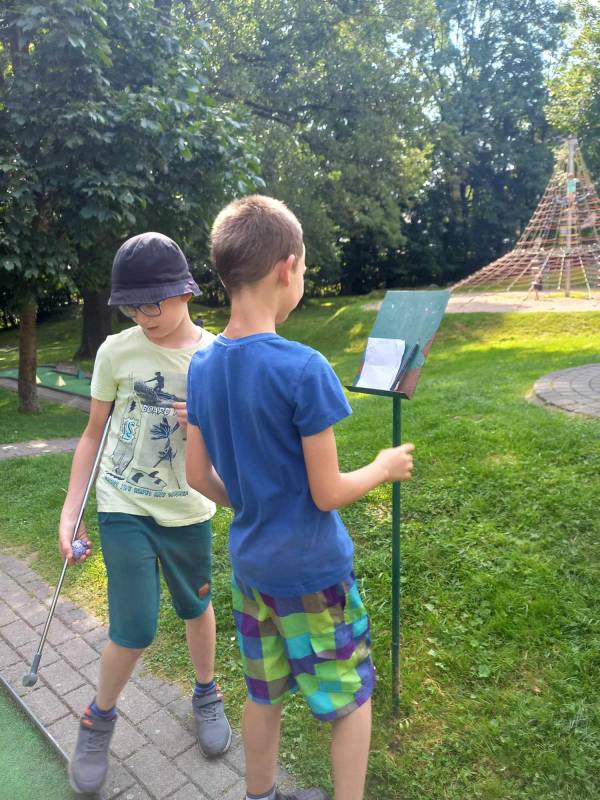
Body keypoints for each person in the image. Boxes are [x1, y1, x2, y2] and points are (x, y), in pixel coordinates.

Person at [185, 196, 415, 800]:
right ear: (287, 268)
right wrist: (383, 467)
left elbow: (196, 475)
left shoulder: (202, 365)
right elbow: (328, 491)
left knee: (263, 693)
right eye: (306, 268)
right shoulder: (304, 367)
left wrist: (251, 504)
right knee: (349, 698)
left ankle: (259, 795)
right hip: (313, 573)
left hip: (251, 570)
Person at [58, 232, 232, 795]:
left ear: (185, 291)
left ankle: (206, 693)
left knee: (196, 606)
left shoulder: (215, 357)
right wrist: (70, 511)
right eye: (132, 306)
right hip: (123, 505)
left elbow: (231, 446)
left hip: (189, 509)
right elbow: (92, 435)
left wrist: (202, 422)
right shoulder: (116, 351)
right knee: (133, 629)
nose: (142, 316)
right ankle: (98, 718)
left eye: (151, 304)